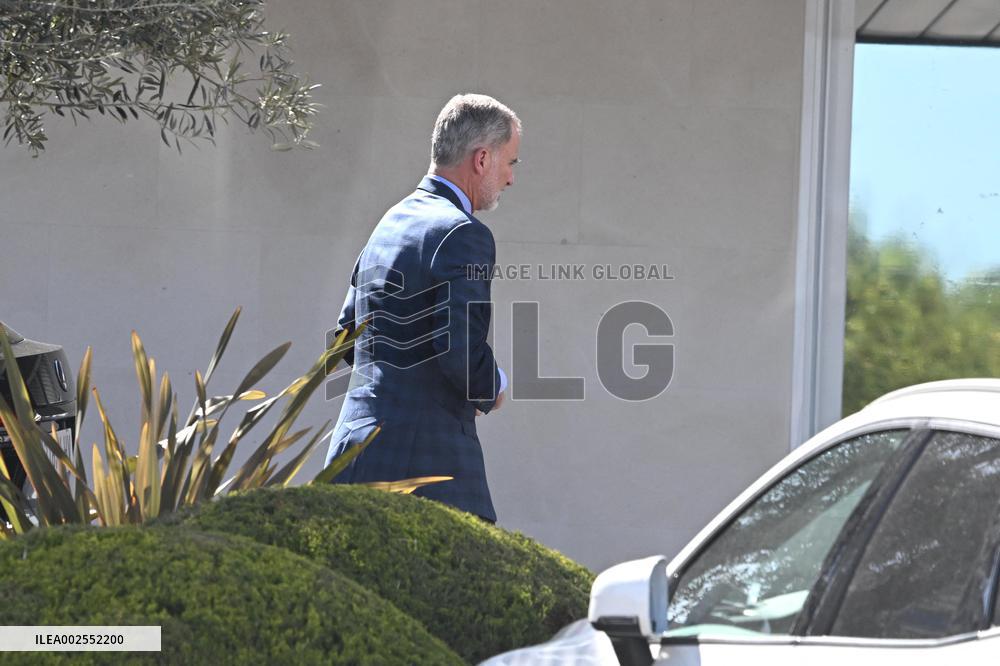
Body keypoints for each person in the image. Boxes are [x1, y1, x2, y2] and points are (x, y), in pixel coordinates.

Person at [323, 93, 521, 522]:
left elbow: (344, 340)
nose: (511, 179)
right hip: (428, 471)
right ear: (482, 159)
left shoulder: (389, 222)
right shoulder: (465, 234)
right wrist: (495, 386)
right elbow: (460, 351)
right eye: (511, 163)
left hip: (351, 458)